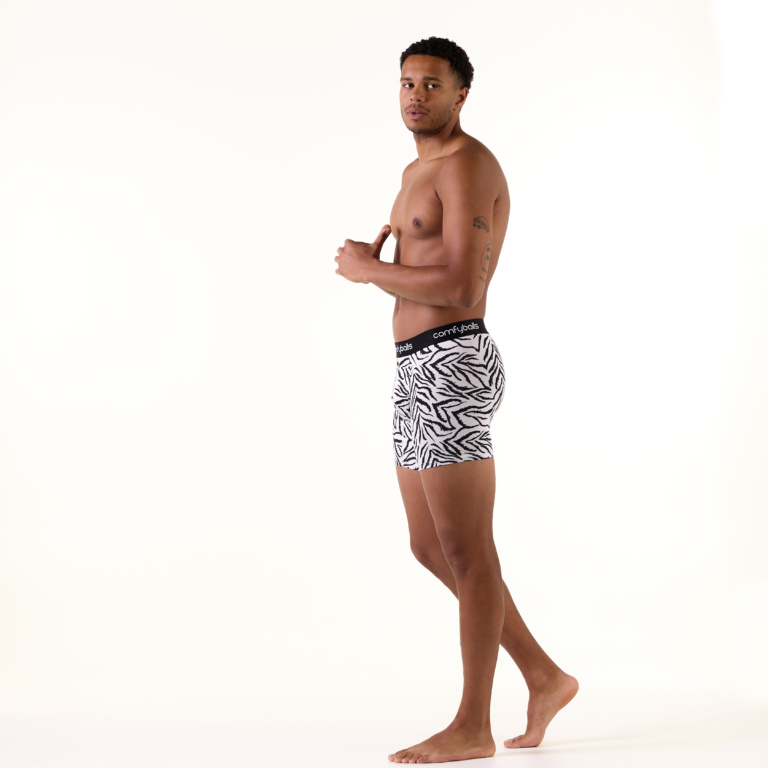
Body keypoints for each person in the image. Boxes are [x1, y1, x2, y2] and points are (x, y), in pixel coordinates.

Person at [335, 36, 578, 764]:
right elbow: (423, 272)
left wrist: (368, 271)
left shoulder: (469, 165)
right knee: (429, 546)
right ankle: (544, 676)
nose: (415, 95)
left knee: (470, 552)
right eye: (407, 82)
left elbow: (463, 286)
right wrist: (378, 269)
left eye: (432, 84)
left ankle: (473, 725)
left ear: (461, 94)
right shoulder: (415, 170)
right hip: (415, 369)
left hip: (452, 365)